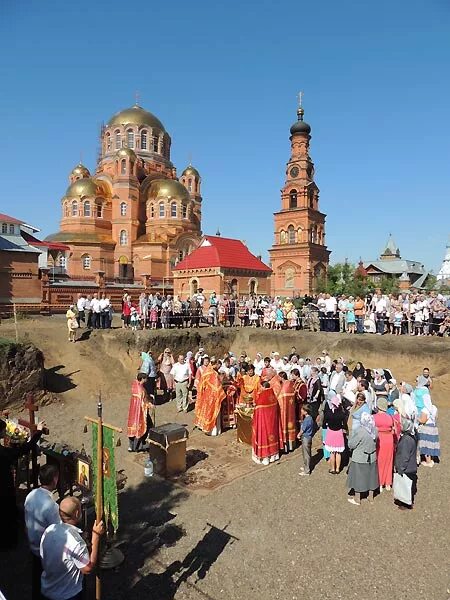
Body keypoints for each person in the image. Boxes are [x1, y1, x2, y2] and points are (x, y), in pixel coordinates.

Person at [40, 497, 105, 600]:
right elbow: (87, 569)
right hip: (67, 594)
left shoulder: (49, 530)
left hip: (47, 588)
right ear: (77, 513)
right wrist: (95, 536)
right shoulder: (75, 542)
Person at [0, 418, 46, 551]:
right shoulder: (3, 453)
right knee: (6, 513)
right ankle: (9, 543)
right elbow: (24, 449)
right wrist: (37, 432)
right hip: (3, 487)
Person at [24, 464, 60, 600]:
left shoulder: (31, 495)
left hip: (33, 546)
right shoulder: (51, 506)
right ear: (55, 480)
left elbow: (26, 522)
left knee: (36, 580)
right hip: (45, 552)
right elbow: (57, 532)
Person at [347, 413, 379, 505]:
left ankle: (357, 499)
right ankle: (371, 497)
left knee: (358, 478)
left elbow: (351, 445)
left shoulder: (360, 431)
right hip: (372, 457)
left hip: (360, 457)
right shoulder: (375, 430)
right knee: (371, 477)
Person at [252, 381, 283, 465]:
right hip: (272, 424)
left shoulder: (262, 398)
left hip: (263, 424)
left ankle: (265, 457)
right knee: (272, 436)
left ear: (263, 387)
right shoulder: (273, 396)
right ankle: (274, 456)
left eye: (261, 387)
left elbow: (256, 412)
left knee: (264, 438)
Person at [194, 358, 226, 435]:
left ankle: (212, 430)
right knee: (212, 413)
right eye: (218, 365)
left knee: (210, 412)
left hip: (207, 396)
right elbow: (217, 386)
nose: (219, 367)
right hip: (212, 396)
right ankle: (213, 430)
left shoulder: (207, 372)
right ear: (215, 364)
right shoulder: (213, 373)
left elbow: (202, 385)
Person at [393, 412, 418, 510]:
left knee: (405, 486)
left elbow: (404, 456)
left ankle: (406, 504)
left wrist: (400, 468)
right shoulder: (412, 436)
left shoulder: (406, 440)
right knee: (409, 486)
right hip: (411, 466)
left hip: (407, 468)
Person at [127, 373, 154, 452]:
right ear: (142, 379)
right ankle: (138, 446)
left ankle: (131, 446)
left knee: (133, 427)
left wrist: (149, 396)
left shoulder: (135, 385)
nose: (146, 380)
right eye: (145, 378)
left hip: (133, 410)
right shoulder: (141, 390)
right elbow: (143, 401)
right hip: (140, 411)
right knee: (144, 427)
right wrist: (150, 405)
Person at [373, 398, 396, 491]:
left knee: (379, 461)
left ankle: (380, 482)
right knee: (389, 460)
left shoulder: (374, 417)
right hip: (389, 439)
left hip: (380, 439)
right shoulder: (390, 417)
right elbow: (393, 429)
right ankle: (388, 483)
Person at [322, 394, 346, 474]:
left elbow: (324, 423)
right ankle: (338, 469)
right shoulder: (342, 413)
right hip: (339, 432)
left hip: (331, 432)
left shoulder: (328, 413)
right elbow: (345, 424)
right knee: (338, 452)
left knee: (332, 452)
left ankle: (333, 468)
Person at [417, 393, 440, 467]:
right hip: (433, 427)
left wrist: (417, 418)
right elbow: (436, 417)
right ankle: (432, 459)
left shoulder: (425, 410)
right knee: (431, 443)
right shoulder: (434, 408)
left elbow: (423, 420)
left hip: (426, 428)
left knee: (426, 444)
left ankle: (428, 461)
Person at [277, 372, 297, 453]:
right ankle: (292, 445)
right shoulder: (291, 384)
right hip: (291, 410)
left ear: (282, 377)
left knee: (284, 426)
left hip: (284, 411)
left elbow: (279, 399)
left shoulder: (284, 387)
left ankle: (285, 446)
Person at [298, 404, 314, 476]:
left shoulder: (307, 420)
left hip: (306, 438)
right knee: (307, 453)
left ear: (306, 412)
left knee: (306, 454)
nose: (301, 411)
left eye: (302, 410)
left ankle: (307, 470)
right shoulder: (310, 418)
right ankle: (306, 466)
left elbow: (303, 430)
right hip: (309, 437)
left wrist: (298, 434)